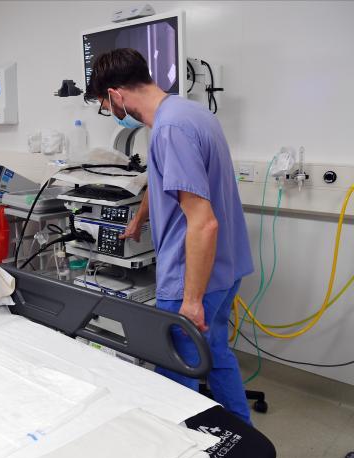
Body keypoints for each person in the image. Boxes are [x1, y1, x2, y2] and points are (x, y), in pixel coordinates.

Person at [84, 48, 254, 425]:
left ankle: (175, 454)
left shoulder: (169, 129)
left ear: (115, 94)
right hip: (227, 267)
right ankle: (245, 434)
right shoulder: (187, 112)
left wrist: (190, 301)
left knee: (176, 373)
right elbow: (168, 179)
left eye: (103, 104)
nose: (109, 111)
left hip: (193, 277)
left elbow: (203, 223)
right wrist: (141, 217)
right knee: (217, 354)